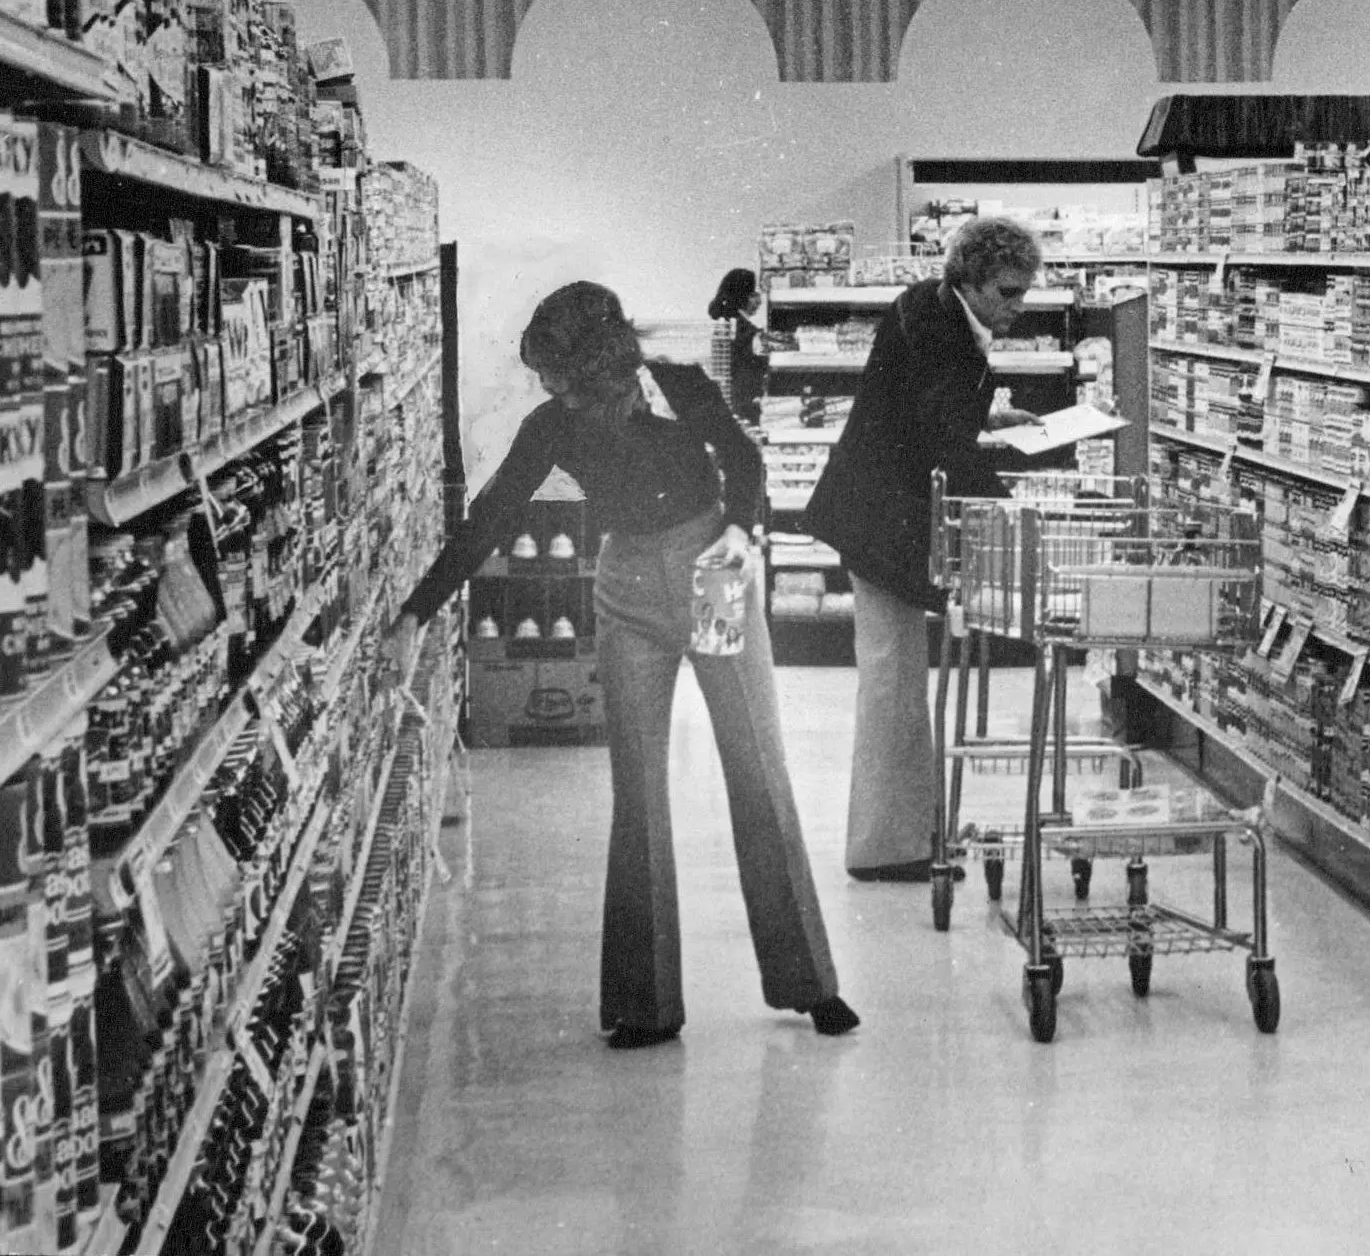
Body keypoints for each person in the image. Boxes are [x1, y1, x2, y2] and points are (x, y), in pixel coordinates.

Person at [386, 281, 857, 1048]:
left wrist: (742, 530)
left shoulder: (679, 386)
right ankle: (644, 1003)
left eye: (553, 371)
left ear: (594, 362)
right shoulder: (552, 426)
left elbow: (743, 458)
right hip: (628, 588)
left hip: (713, 570)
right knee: (637, 792)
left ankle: (811, 983)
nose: (544, 386)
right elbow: (494, 514)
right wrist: (416, 609)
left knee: (757, 768)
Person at [804, 218, 1047, 881]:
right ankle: (886, 849)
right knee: (891, 683)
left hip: (880, 515)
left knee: (897, 679)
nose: (1017, 308)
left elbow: (923, 410)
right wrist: (1015, 511)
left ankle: (907, 834)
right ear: (969, 279)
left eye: (1024, 294)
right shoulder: (948, 337)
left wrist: (987, 419)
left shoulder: (929, 306)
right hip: (881, 522)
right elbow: (938, 440)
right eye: (1008, 293)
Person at [707, 267, 768, 424]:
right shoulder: (744, 330)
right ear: (742, 296)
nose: (759, 300)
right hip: (744, 402)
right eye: (753, 294)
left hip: (734, 400)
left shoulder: (725, 324)